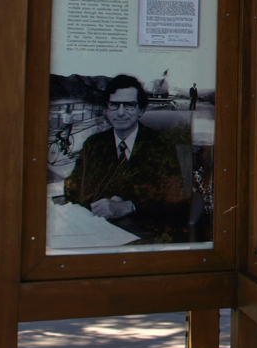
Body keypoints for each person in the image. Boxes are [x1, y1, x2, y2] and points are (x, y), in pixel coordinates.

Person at [63, 74, 190, 243]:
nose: (121, 113)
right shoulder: (93, 145)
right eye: (114, 105)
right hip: (96, 231)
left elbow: (177, 200)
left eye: (129, 105)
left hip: (144, 235)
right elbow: (73, 189)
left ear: (141, 110)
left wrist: (130, 206)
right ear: (106, 109)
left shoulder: (160, 145)